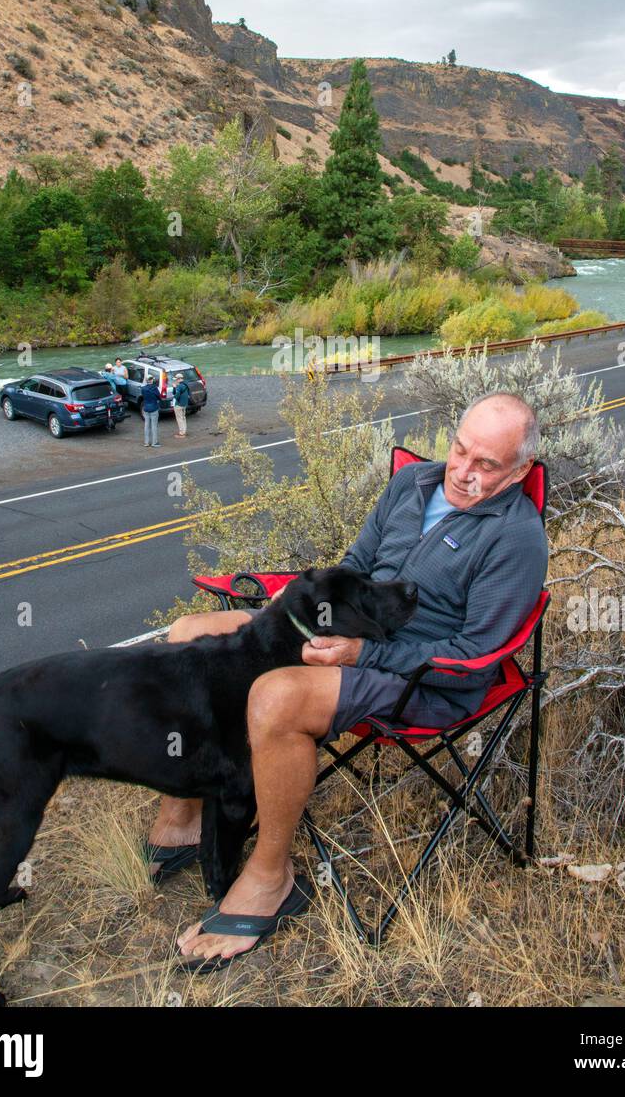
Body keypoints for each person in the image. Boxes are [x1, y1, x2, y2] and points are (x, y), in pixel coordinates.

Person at [143, 392, 549, 971]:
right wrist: (300, 604)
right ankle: (182, 815)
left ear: (520, 471)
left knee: (274, 697)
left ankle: (269, 876)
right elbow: (354, 567)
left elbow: (476, 655)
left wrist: (359, 654)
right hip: (345, 641)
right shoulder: (413, 485)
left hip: (422, 681)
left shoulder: (515, 537)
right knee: (187, 637)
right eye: (460, 450)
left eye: (486, 465)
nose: (464, 472)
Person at [141, 376, 161, 447]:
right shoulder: (154, 388)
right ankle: (154, 442)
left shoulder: (143, 389)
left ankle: (146, 442)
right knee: (154, 426)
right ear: (152, 380)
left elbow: (143, 396)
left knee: (146, 425)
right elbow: (159, 396)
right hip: (154, 408)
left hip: (146, 408)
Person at [172, 372, 191, 438]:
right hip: (184, 404)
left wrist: (174, 387)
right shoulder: (186, 385)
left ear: (179, 379)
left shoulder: (179, 386)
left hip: (179, 405)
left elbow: (175, 395)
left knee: (179, 418)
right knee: (183, 417)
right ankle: (184, 431)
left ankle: (181, 433)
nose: (175, 380)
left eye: (176, 379)